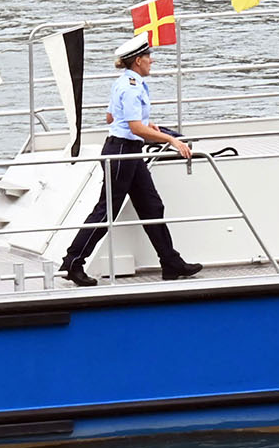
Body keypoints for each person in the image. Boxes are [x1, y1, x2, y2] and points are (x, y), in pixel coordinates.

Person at [60, 34, 203, 286]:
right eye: (148, 57)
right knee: (107, 210)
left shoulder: (124, 82)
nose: (151, 61)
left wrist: (147, 124)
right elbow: (135, 128)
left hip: (129, 152)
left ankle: (170, 261)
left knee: (151, 206)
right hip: (122, 153)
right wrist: (171, 140)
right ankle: (73, 262)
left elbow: (111, 117)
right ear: (138, 61)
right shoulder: (131, 87)